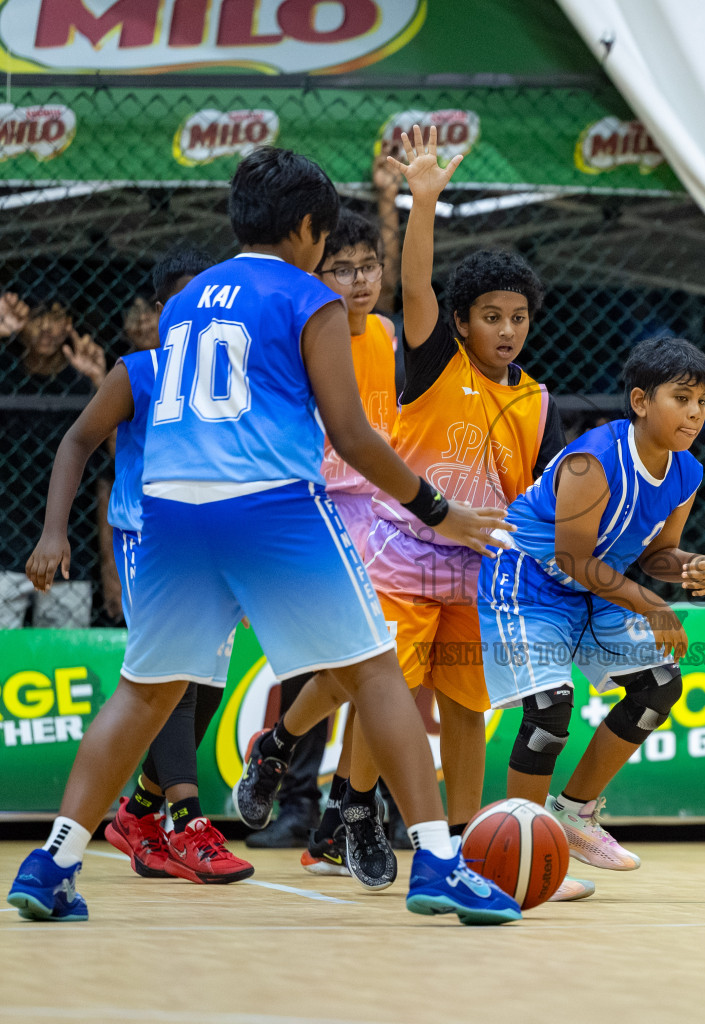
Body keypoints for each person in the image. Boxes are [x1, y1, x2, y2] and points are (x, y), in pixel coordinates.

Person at [5, 146, 521, 925]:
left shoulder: (187, 301)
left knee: (144, 692)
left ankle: (52, 861)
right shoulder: (309, 297)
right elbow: (350, 434)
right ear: (309, 227)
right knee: (376, 673)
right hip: (270, 505)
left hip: (172, 512)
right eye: (326, 237)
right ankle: (439, 864)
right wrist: (436, 509)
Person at [234, 127, 565, 893]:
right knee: (372, 681)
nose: (506, 330)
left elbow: (539, 497)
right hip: (383, 533)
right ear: (460, 322)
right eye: (491, 316)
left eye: (518, 317)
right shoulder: (411, 352)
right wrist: (423, 201)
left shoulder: (533, 399)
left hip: (469, 559)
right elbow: (419, 284)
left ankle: (463, 842)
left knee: (460, 704)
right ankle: (345, 799)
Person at [478, 336, 705, 880]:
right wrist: (651, 604)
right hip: (527, 580)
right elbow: (573, 557)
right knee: (549, 710)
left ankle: (572, 815)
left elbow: (656, 555)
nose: (695, 413)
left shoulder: (686, 472)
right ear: (640, 401)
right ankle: (521, 855)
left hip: (591, 589)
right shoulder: (594, 461)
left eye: (702, 401)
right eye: (681, 398)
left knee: (658, 684)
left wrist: (687, 565)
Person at [96, 243, 255, 885]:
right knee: (177, 682)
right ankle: (188, 825)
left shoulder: (232, 377)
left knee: (208, 687)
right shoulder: (140, 371)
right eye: (185, 301)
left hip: (211, 541)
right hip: (149, 537)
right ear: (160, 312)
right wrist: (54, 533)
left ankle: (137, 812)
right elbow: (77, 441)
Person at [249, 203, 402, 854]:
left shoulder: (390, 335)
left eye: (369, 266)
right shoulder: (305, 333)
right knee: (321, 665)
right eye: (343, 268)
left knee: (382, 664)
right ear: (317, 273)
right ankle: (297, 794)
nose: (360, 280)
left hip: (384, 517)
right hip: (317, 509)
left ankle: (353, 807)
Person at [0, 274, 111, 628]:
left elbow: (122, 453)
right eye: (37, 316)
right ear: (20, 321)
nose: (46, 327)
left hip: (69, 551)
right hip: (0, 546)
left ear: (69, 323)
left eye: (56, 316)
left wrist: (101, 382)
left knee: (65, 658)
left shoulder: (84, 382)